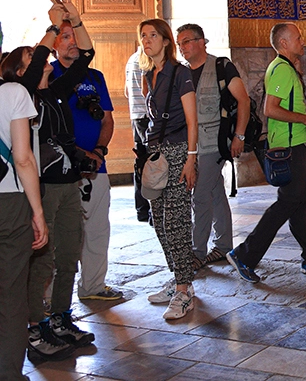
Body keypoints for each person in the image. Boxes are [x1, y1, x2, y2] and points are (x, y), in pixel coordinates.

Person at [3, 0, 97, 359]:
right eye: (32, 58)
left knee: (68, 254)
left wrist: (76, 19)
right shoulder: (23, 96)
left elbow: (87, 56)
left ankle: (60, 318)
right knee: (43, 260)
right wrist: (54, 29)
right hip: (40, 188)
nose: (40, 61)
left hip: (67, 183)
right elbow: (31, 72)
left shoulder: (54, 93)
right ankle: (36, 327)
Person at [227, 23, 306, 283]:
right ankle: (245, 254)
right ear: (284, 43)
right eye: (298, 38)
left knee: (300, 202)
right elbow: (270, 109)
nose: (302, 42)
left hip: (295, 144)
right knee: (289, 202)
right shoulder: (281, 70)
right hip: (288, 147)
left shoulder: (286, 68)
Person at [50, 21, 123, 302]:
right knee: (60, 235)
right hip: (62, 167)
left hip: (96, 166)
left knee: (97, 230)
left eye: (74, 37)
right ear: (54, 43)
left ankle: (93, 286)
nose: (71, 42)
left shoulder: (96, 77)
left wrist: (100, 151)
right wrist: (80, 153)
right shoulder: (50, 75)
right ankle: (50, 297)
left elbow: (106, 119)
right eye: (64, 37)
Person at [176, 24, 250, 270]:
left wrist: (239, 136)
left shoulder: (221, 67)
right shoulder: (182, 72)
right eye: (179, 43)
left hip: (214, 143)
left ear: (201, 42)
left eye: (186, 41)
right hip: (193, 144)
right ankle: (223, 245)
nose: (182, 47)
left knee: (200, 196)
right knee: (215, 193)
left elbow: (243, 100)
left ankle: (197, 252)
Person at [139, 18, 199, 320]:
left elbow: (192, 119)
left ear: (165, 41)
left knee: (176, 220)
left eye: (153, 35)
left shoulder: (180, 72)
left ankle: (184, 289)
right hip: (156, 154)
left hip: (178, 152)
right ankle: (178, 276)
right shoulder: (148, 75)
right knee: (159, 222)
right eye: (143, 36)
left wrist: (191, 158)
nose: (147, 40)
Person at [0, 77, 49, 376]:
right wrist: (38, 211)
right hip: (8, 205)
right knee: (11, 294)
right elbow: (23, 159)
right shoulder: (12, 93)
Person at [125, 48, 152, 223]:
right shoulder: (146, 58)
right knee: (154, 165)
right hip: (147, 116)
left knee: (141, 164)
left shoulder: (131, 59)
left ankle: (142, 210)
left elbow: (127, 91)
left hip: (136, 116)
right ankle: (153, 212)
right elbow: (146, 90)